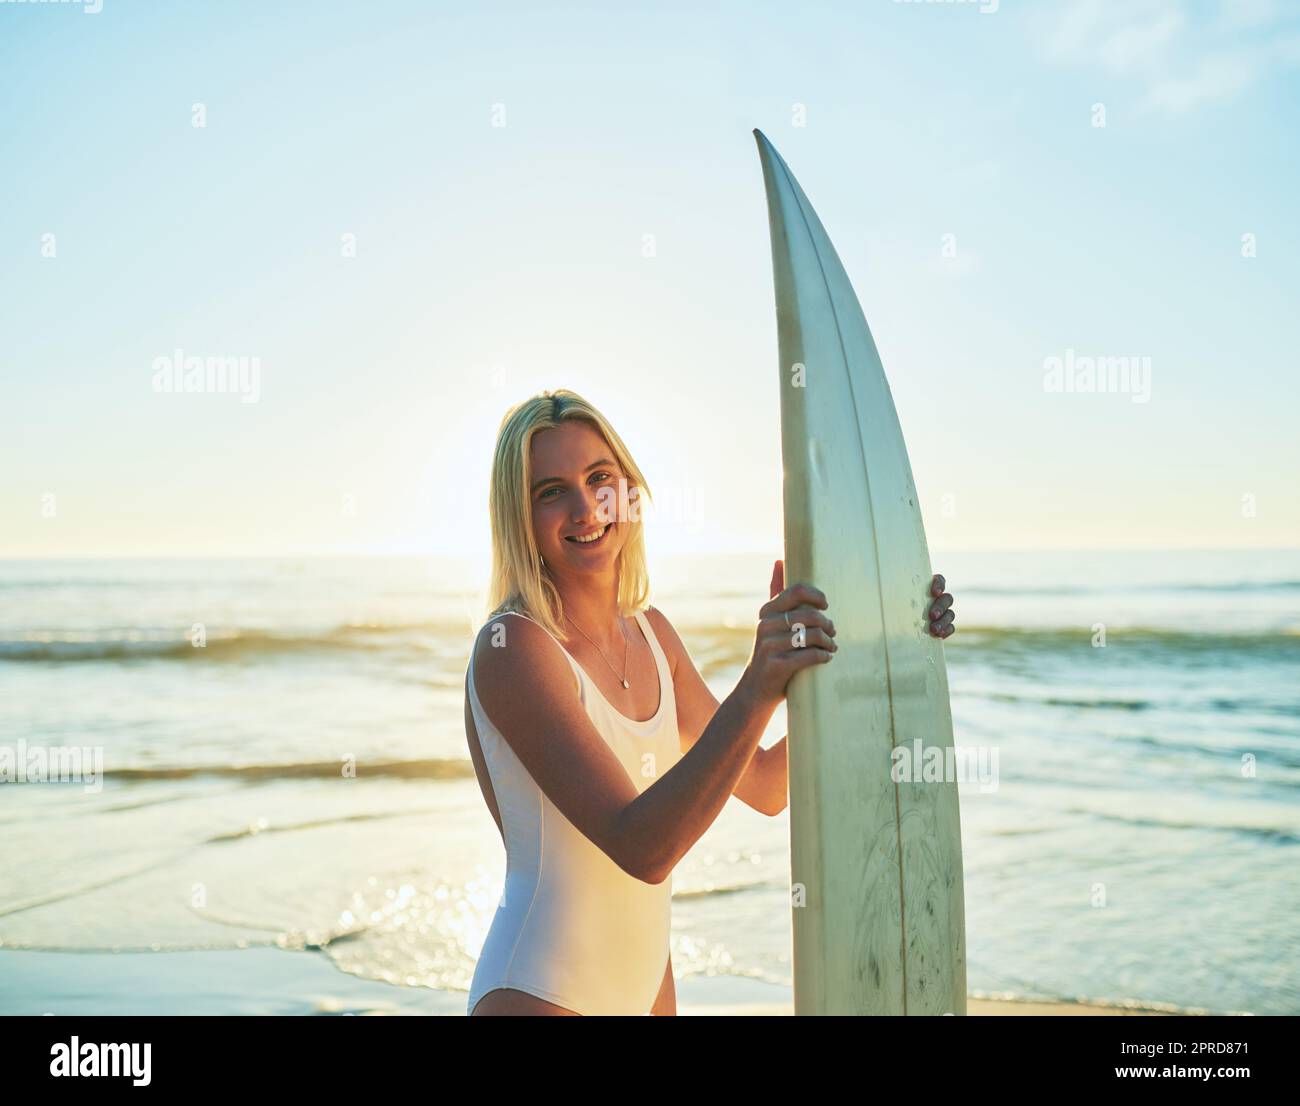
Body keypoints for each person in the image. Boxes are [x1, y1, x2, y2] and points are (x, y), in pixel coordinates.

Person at [464, 388, 955, 1016]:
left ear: (630, 491)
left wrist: (892, 638)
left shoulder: (651, 635)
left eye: (599, 478)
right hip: (538, 991)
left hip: (648, 992)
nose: (587, 508)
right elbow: (642, 846)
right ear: (520, 517)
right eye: (550, 491)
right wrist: (758, 683)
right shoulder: (514, 648)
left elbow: (769, 785)